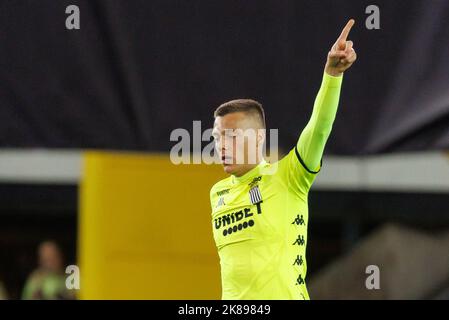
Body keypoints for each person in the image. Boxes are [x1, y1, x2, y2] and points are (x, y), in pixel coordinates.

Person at [209, 19, 357, 299]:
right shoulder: (217, 193)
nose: (221, 146)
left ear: (258, 138)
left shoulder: (290, 177)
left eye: (231, 136)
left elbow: (319, 127)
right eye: (217, 137)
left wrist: (332, 76)